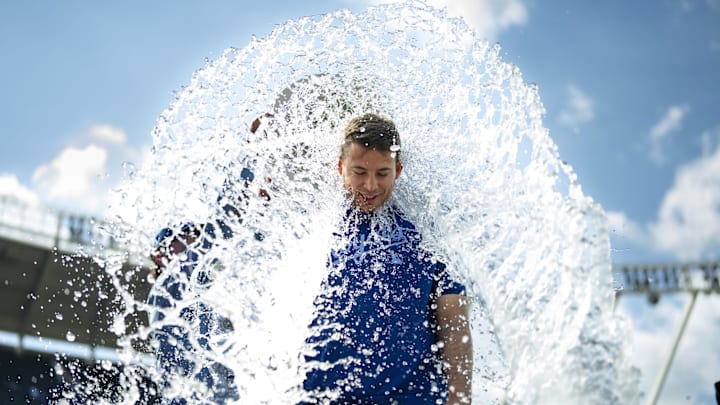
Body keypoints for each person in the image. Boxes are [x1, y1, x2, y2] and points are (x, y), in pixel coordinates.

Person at [302, 113, 473, 404]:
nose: (370, 186)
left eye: (382, 173)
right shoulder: (313, 223)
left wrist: (459, 398)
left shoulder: (428, 228)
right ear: (341, 167)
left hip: (410, 397)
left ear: (398, 170)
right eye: (359, 172)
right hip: (318, 396)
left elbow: (453, 320)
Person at [146, 116, 273, 404]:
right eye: (187, 237)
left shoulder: (204, 291)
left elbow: (252, 255)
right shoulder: (169, 290)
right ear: (160, 254)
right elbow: (224, 223)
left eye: (196, 235)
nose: (195, 241)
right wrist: (251, 149)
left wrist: (265, 213)